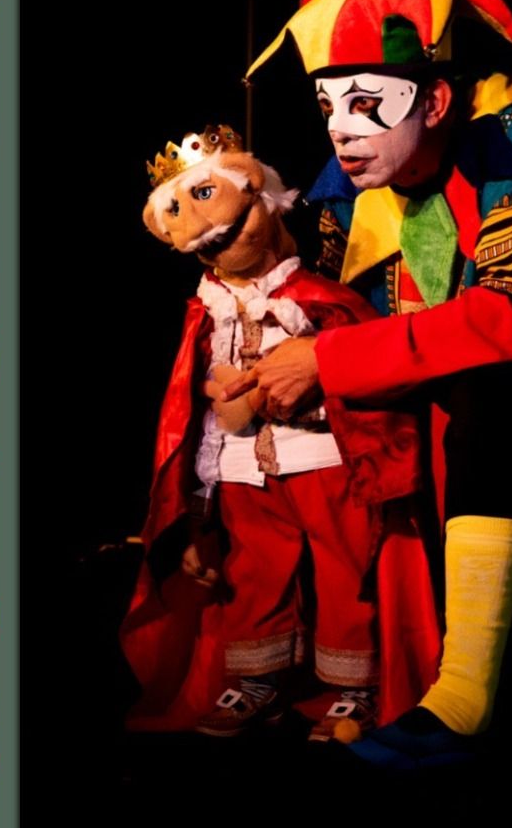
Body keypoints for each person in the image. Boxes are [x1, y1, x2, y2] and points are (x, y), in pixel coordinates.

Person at [238, 0, 512, 769]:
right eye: (327, 105)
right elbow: (326, 296)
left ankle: (467, 699)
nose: (341, 128)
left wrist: (328, 358)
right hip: (422, 408)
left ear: (437, 100)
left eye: (366, 104)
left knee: (493, 403)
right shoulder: (350, 170)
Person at [119, 126, 440, 742]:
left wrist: (306, 385)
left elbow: (359, 368)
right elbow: (192, 400)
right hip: (243, 465)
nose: (213, 240)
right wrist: (202, 480)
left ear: (257, 196)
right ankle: (258, 681)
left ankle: (355, 688)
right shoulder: (206, 307)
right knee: (252, 572)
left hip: (321, 456)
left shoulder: (317, 297)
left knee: (347, 571)